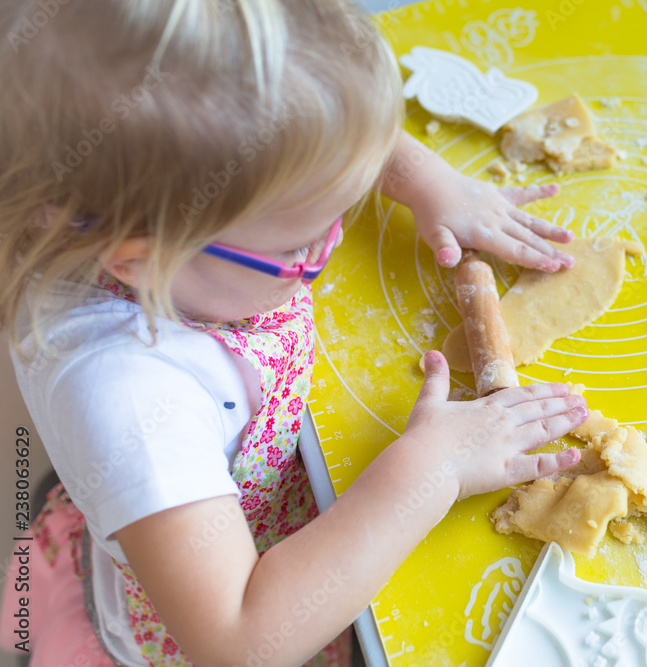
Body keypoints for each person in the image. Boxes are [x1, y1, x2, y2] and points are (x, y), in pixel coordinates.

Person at [0, 1, 587, 664]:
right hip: (247, 589)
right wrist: (432, 470)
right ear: (142, 258)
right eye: (306, 242)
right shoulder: (130, 397)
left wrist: (424, 178)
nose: (331, 247)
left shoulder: (165, 204)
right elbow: (240, 638)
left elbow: (303, 120)